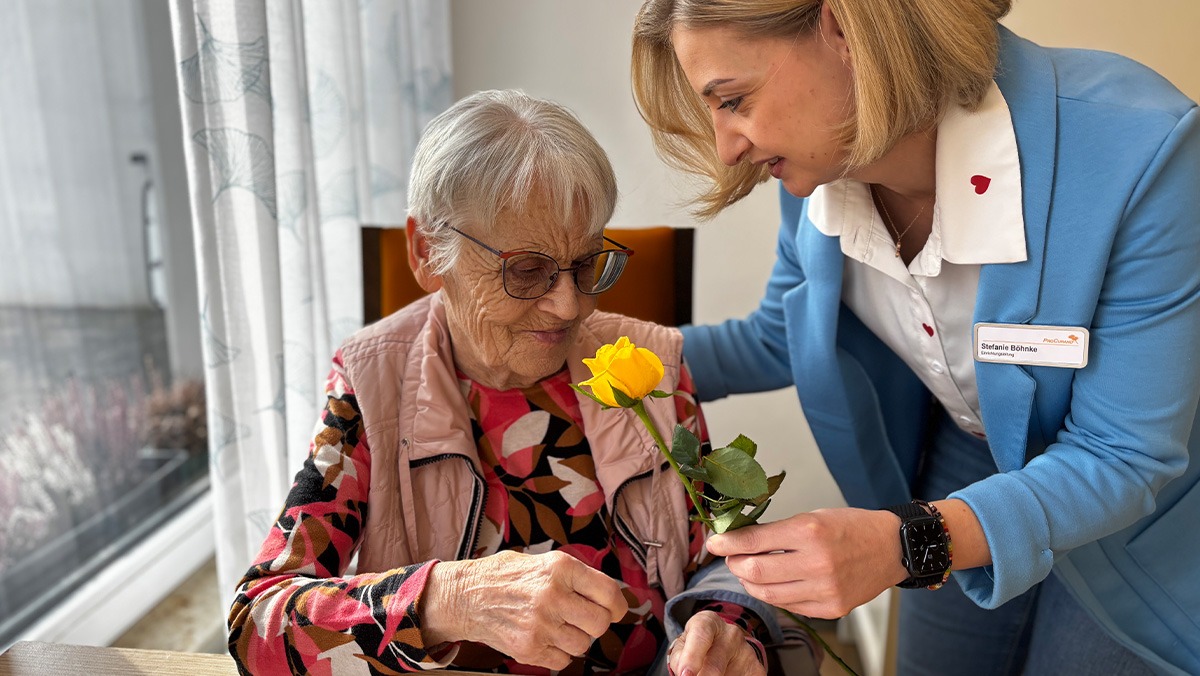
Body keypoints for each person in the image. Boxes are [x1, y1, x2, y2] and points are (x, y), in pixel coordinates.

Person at [631, 1, 1200, 674]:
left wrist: (905, 543)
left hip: (1140, 497)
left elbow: (1123, 452)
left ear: (842, 27)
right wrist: (605, 353)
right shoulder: (820, 172)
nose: (729, 148)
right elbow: (779, 338)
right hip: (967, 455)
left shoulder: (1144, 150)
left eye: (733, 100)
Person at [226, 89, 819, 676]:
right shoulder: (368, 383)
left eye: (587, 265)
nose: (569, 307)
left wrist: (724, 623)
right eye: (527, 271)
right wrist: (444, 600)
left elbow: (718, 555)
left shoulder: (646, 363)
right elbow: (257, 623)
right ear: (427, 253)